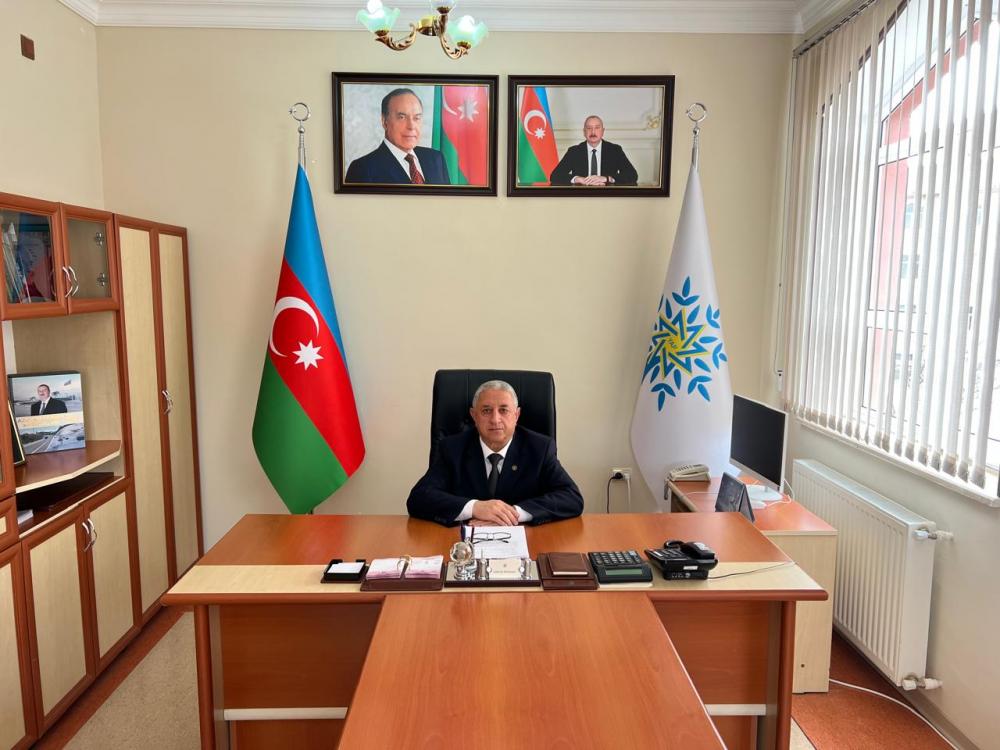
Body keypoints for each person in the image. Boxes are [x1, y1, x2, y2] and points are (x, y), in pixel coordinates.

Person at [407, 380, 583, 527]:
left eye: (504, 410)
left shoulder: (539, 448)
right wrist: (475, 508)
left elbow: (572, 498)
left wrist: (512, 514)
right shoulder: (452, 448)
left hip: (525, 541)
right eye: (486, 410)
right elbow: (419, 498)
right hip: (464, 542)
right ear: (474, 415)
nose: (495, 419)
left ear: (517, 415)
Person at [345, 88, 451, 185]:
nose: (411, 126)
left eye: (416, 118)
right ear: (384, 121)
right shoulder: (362, 169)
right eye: (402, 117)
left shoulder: (436, 159)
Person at [549, 115, 638, 187]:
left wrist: (607, 178)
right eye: (589, 128)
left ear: (603, 131)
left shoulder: (615, 150)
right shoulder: (574, 151)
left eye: (597, 128)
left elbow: (632, 175)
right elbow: (555, 176)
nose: (593, 132)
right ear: (584, 132)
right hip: (581, 196)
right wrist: (577, 179)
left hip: (608, 196)